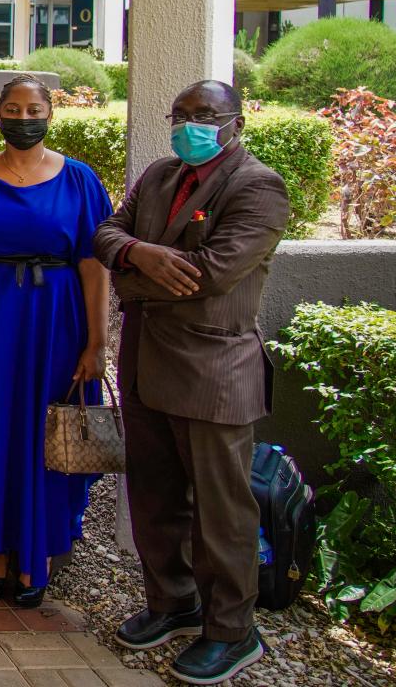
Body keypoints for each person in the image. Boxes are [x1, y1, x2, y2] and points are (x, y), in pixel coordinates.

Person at [95, 80, 288, 686]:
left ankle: (233, 631)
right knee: (154, 493)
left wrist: (129, 266)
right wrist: (139, 254)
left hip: (214, 370)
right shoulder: (159, 174)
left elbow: (209, 275)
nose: (189, 125)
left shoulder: (258, 186)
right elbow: (105, 233)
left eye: (205, 115)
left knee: (221, 507)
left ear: (236, 121)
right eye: (180, 114)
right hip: (147, 362)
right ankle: (174, 602)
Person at [0, 75, 111, 610]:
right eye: (12, 108)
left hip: (57, 323)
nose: (22, 115)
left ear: (50, 114)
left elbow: (93, 265)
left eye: (33, 107)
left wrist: (97, 341)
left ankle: (36, 556)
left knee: (45, 432)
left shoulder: (80, 180)